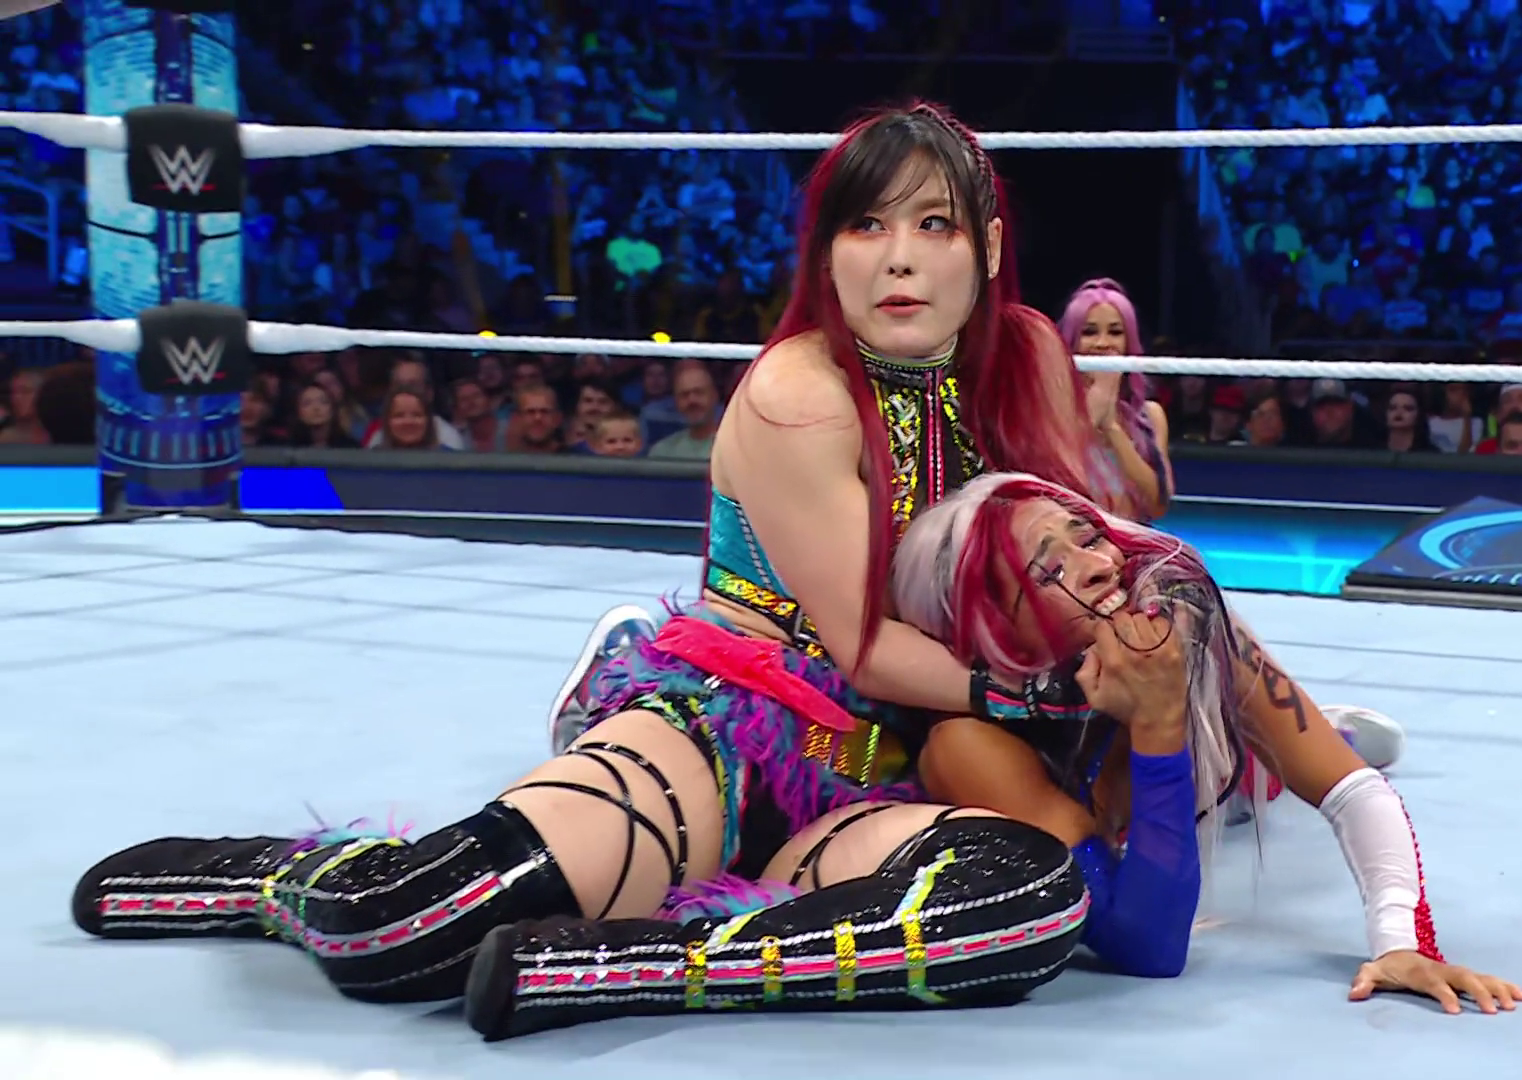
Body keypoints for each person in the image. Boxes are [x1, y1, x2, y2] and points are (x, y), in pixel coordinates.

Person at [69, 102, 1100, 1042]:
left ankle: (649, 963)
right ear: (826, 252)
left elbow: (1081, 561)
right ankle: (281, 875)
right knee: (413, 929)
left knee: (1028, 900)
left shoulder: (1028, 362)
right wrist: (1055, 689)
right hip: (738, 733)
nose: (899, 259)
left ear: (987, 246)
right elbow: (863, 649)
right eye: (867, 225)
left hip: (886, 775)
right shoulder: (801, 394)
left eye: (934, 225)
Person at [891, 472, 1522, 1013]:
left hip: (1219, 774)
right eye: (1051, 569)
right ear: (995, 629)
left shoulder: (1184, 625)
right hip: (1171, 791)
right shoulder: (969, 746)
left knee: (1263, 768)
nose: (1100, 566)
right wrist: (1159, 723)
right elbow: (1150, 946)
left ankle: (1313, 733)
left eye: (1088, 538)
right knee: (1232, 774)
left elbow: (1352, 789)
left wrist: (1401, 944)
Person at [1057, 279, 1173, 521]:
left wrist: (1112, 427)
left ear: (1129, 343)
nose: (1103, 343)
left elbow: (1158, 507)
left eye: (1115, 332)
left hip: (1133, 536)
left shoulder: (1150, 416)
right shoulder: (1049, 409)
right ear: (1071, 341)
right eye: (1089, 332)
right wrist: (1091, 417)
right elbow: (1050, 492)